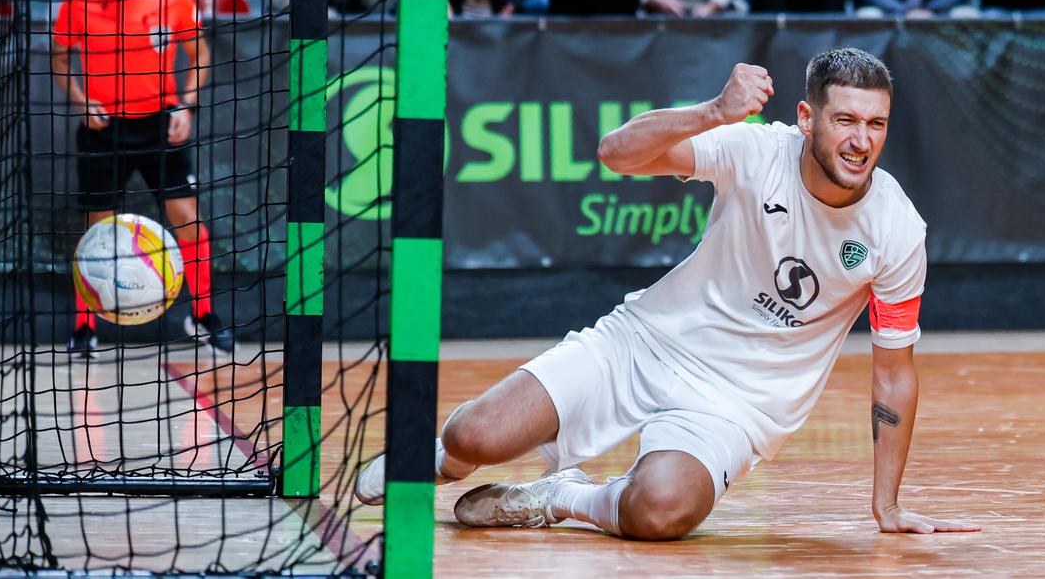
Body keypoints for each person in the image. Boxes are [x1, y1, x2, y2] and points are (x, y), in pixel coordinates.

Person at [354, 48, 981, 541]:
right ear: (806, 117)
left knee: (660, 511)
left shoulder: (897, 228)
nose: (861, 140)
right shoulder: (754, 150)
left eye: (876, 124)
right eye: (845, 119)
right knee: (475, 435)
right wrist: (713, 110)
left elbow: (893, 373)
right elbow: (615, 155)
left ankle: (559, 497)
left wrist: (887, 504)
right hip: (645, 343)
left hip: (739, 404)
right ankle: (434, 464)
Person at [51, 0, 231, 358]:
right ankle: (84, 328)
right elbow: (58, 57)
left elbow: (200, 53)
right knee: (97, 228)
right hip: (103, 128)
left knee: (187, 215)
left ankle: (203, 316)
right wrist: (81, 100)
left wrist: (186, 105)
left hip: (160, 122)